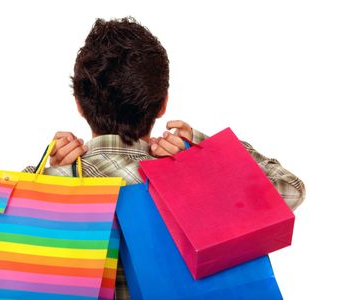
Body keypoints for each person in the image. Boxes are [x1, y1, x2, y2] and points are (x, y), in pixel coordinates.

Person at [23, 16, 306, 300]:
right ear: (162, 105)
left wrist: (48, 181)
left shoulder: (38, 188)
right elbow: (290, 188)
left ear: (79, 106)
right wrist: (208, 153)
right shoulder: (197, 182)